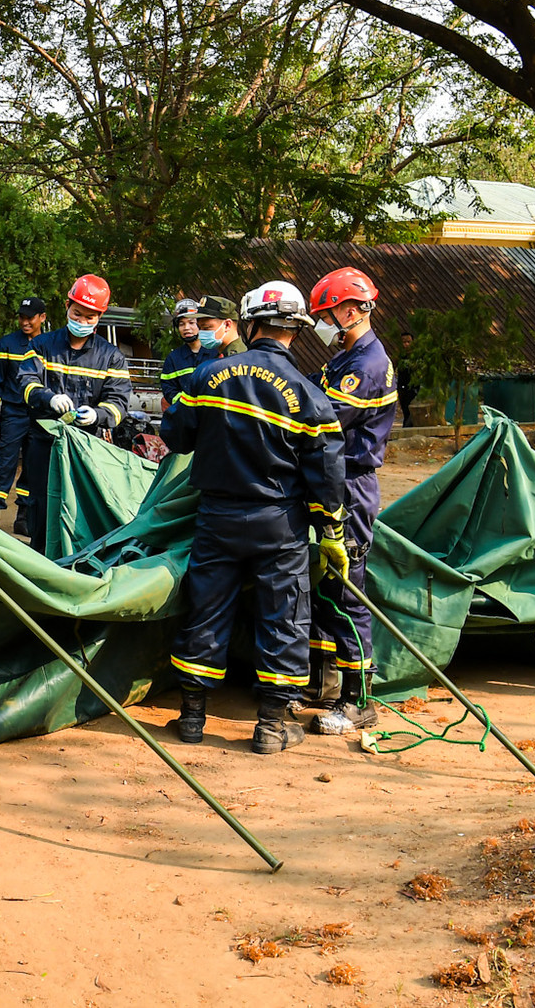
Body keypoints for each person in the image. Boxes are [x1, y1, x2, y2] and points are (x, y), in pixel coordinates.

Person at [162, 281, 347, 755]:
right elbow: (327, 473)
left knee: (206, 609)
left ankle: (191, 717)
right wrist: (332, 529)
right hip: (279, 525)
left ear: (249, 323)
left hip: (217, 518)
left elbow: (176, 436)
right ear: (296, 330)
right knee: (283, 616)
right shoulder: (309, 395)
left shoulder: (206, 376)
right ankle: (269, 726)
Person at [304, 267, 398, 735]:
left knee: (346, 591)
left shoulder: (367, 365)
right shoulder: (345, 356)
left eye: (325, 314)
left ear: (349, 310)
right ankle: (321, 684)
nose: (321, 322)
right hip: (333, 481)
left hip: (352, 487)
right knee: (323, 589)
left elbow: (322, 414)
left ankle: (359, 700)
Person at [12, 275, 133, 543]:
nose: (82, 322)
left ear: (100, 317)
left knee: (79, 510)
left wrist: (98, 414)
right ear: (67, 306)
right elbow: (26, 382)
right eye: (77, 314)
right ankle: (41, 559)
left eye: (90, 317)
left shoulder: (111, 356)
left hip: (85, 448)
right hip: (44, 444)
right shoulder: (42, 346)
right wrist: (48, 398)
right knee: (42, 507)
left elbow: (119, 403)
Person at [0, 297, 47, 531]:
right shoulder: (6, 344)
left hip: (40, 417)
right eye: (22, 317)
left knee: (34, 467)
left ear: (42, 318)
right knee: (0, 466)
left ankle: (23, 519)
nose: (25, 321)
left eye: (30, 317)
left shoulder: (50, 345)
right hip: (12, 415)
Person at [158, 296, 242, 441]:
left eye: (205, 327)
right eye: (182, 324)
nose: (187, 328)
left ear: (227, 325)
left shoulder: (221, 354)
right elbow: (169, 390)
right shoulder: (174, 358)